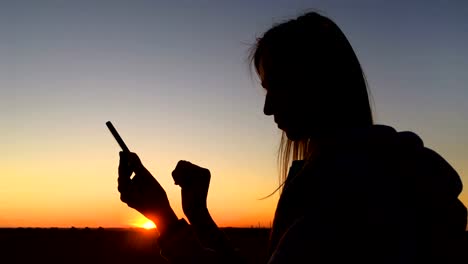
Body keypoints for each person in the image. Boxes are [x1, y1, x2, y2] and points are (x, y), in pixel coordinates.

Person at [116, 11, 467, 263]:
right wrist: (198, 215)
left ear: (321, 82)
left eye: (279, 86)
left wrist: (163, 218)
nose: (268, 109)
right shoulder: (384, 170)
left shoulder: (350, 189)